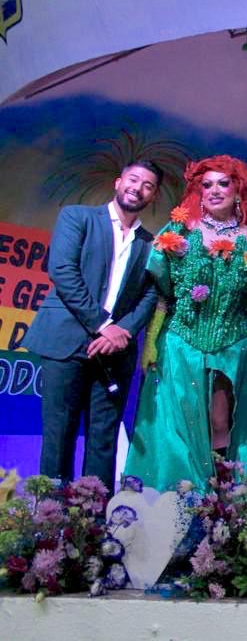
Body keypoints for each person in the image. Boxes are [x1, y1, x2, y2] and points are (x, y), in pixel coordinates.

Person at [125, 156, 247, 490]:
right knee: (178, 426)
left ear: (238, 189)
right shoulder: (178, 231)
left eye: (223, 183)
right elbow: (160, 293)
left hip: (231, 344)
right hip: (180, 342)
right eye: (207, 185)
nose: (214, 190)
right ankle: (180, 502)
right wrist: (150, 342)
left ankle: (223, 504)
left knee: (222, 423)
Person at [26, 161, 162, 492]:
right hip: (66, 342)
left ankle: (93, 516)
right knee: (59, 434)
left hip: (116, 352)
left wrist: (123, 331)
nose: (137, 188)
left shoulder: (151, 243)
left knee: (104, 438)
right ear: (118, 182)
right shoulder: (78, 217)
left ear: (153, 195)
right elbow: (62, 270)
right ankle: (51, 515)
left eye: (147, 185)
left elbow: (150, 294)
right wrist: (104, 324)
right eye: (133, 179)